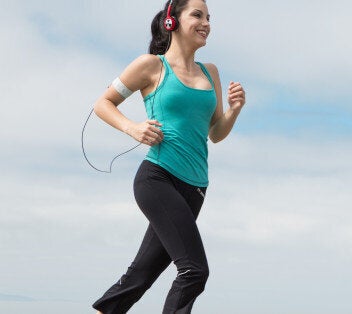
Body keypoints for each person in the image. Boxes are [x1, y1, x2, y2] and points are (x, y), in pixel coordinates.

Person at [91, 0, 245, 312]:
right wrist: (133, 128)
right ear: (171, 21)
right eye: (197, 15)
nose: (206, 23)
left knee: (140, 276)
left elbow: (215, 133)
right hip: (158, 177)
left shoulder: (210, 72)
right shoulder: (150, 65)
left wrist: (234, 110)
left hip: (196, 188)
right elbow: (103, 104)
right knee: (194, 271)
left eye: (209, 17)